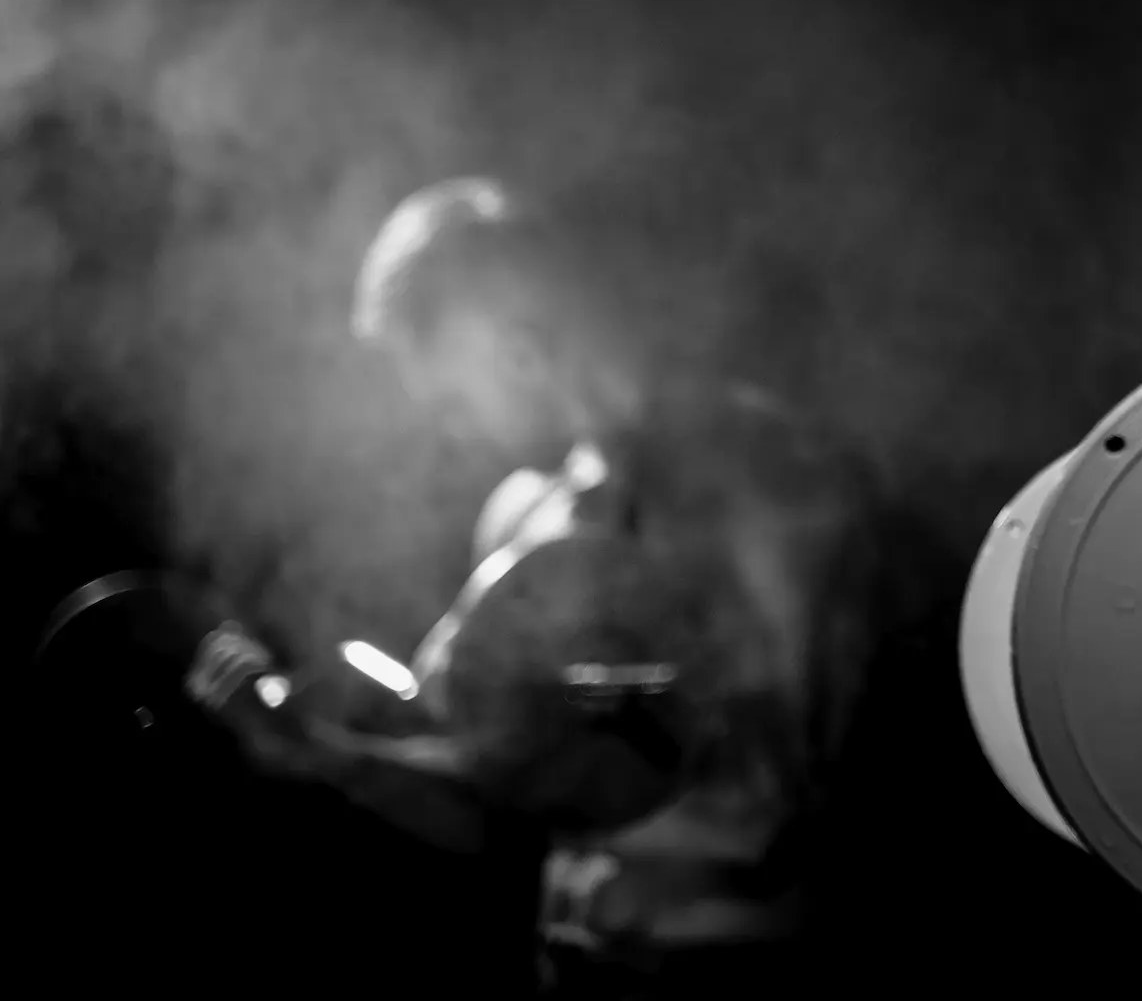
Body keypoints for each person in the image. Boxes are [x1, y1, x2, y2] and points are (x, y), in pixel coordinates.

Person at [190, 176, 880, 997]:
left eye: (453, 400)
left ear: (515, 342)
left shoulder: (762, 474)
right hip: (577, 975)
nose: (452, 431)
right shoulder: (522, 515)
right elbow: (496, 796)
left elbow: (797, 785)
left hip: (745, 981)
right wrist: (332, 756)